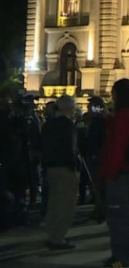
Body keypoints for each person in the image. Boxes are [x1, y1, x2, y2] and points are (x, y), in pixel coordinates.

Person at [101, 79, 129, 268]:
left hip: (120, 174)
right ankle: (119, 256)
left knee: (118, 218)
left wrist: (109, 173)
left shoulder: (125, 117)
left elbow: (118, 147)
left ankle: (121, 259)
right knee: (120, 217)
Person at [42, 94, 79, 250]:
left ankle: (52, 234)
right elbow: (70, 148)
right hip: (65, 168)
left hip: (51, 167)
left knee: (54, 202)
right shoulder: (67, 125)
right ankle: (58, 238)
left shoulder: (49, 124)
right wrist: (74, 166)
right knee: (65, 204)